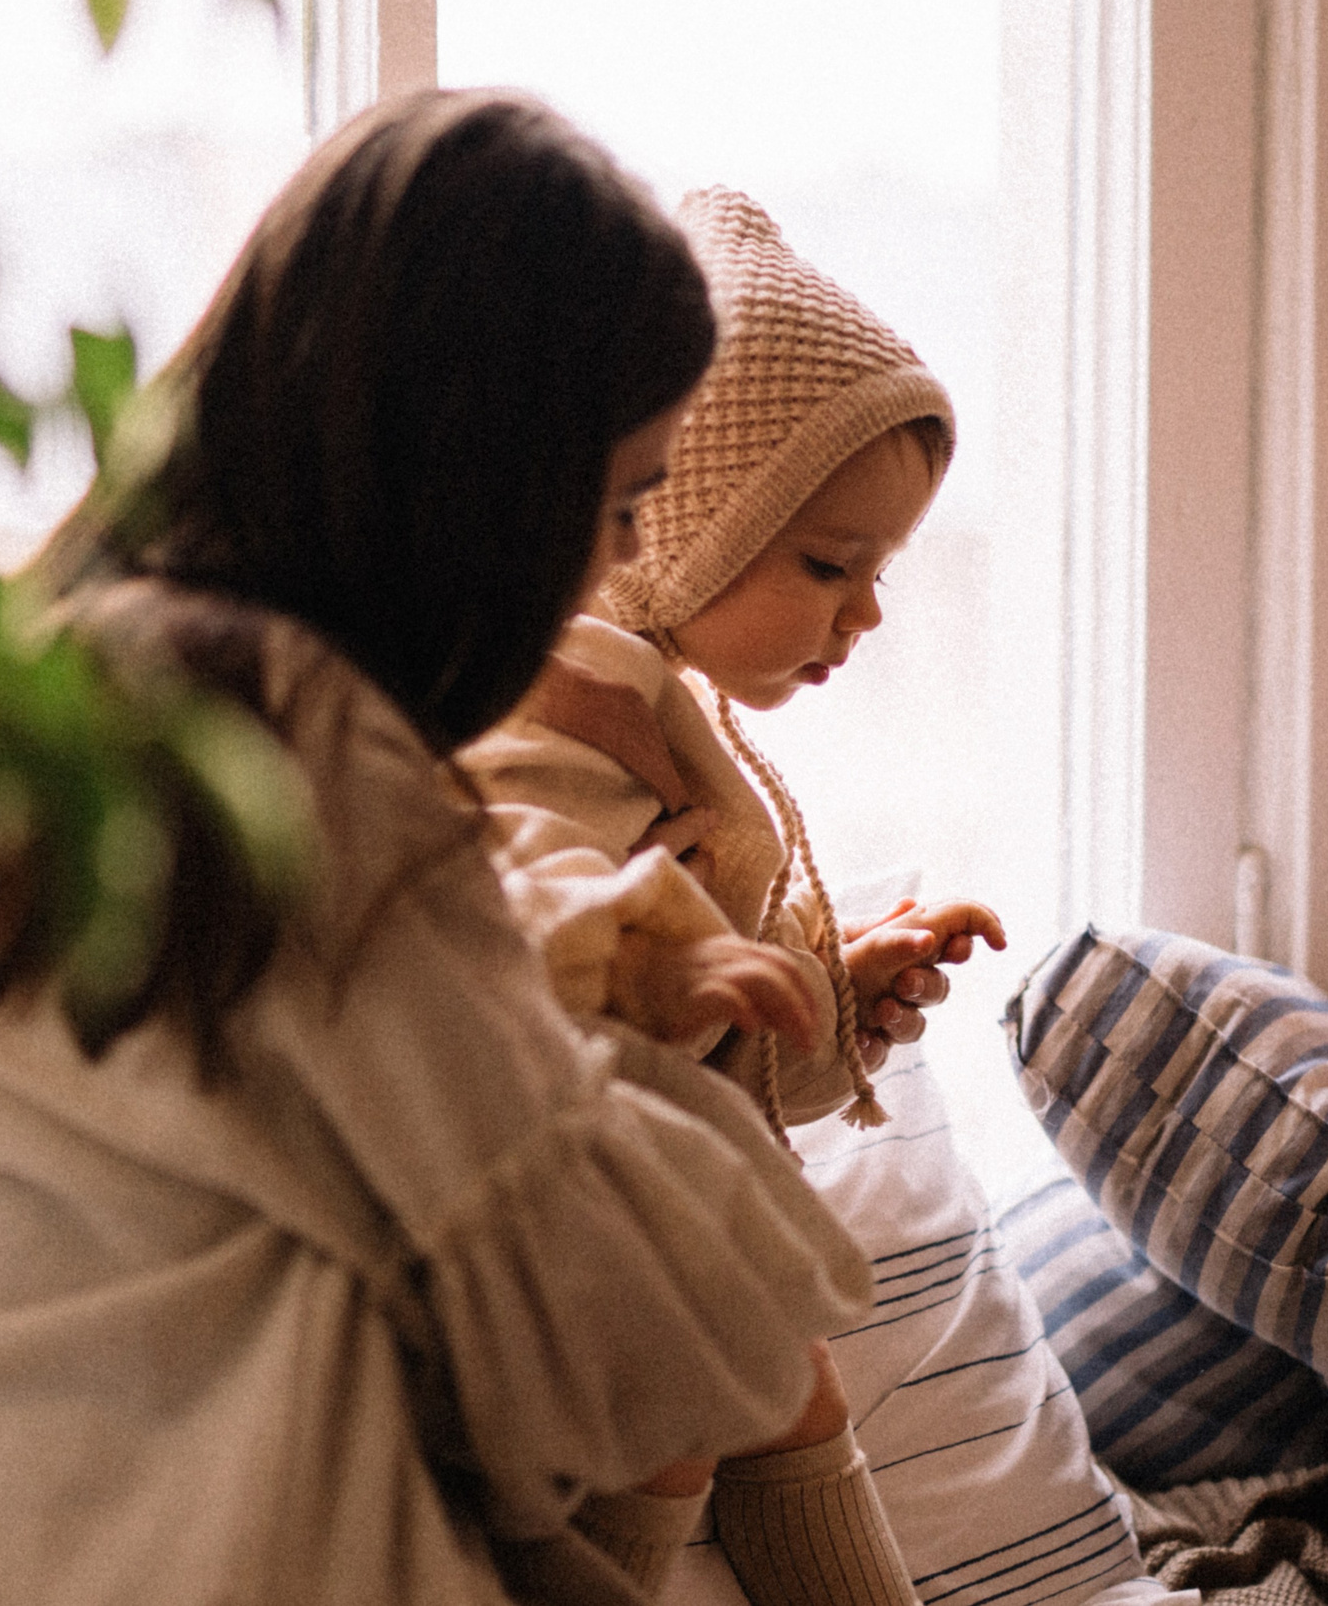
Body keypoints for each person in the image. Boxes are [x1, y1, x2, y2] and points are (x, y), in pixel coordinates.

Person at [0, 96, 875, 1606]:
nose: (614, 561)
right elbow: (665, 1340)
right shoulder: (286, 741)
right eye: (614, 504)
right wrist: (643, 1040)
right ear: (483, 483)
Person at [462, 188, 1191, 1606]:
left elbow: (725, 1061)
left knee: (783, 1388)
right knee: (691, 1414)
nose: (865, 615)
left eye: (882, 572)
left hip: (668, 1204)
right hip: (552, 1222)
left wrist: (833, 997)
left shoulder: (671, 720)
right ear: (672, 525)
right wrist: (660, 965)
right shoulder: (557, 708)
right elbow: (507, 930)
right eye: (827, 566)